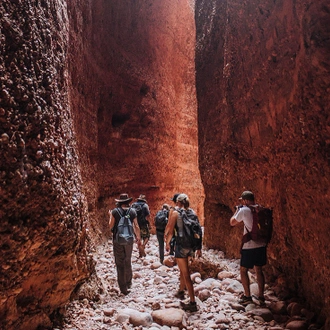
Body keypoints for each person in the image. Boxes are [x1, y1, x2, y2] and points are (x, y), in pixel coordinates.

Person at [165, 193, 202, 312]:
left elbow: (170, 231)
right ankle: (181, 290)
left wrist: (167, 243)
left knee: (186, 273)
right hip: (191, 246)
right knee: (183, 270)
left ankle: (192, 302)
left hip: (181, 245)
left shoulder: (176, 213)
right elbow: (198, 230)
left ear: (178, 203)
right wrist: (199, 248)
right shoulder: (193, 213)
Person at [230, 190, 267, 306]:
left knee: (243, 270)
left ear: (245, 200)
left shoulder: (244, 210)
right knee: (259, 270)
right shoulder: (260, 208)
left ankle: (247, 296)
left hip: (249, 246)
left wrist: (237, 210)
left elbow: (232, 222)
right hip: (261, 244)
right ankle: (261, 297)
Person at [109, 193, 141, 295]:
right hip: (129, 240)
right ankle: (129, 282)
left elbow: (110, 227)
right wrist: (138, 238)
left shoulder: (115, 211)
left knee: (120, 263)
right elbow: (136, 225)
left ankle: (123, 288)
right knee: (128, 260)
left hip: (118, 240)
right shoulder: (132, 211)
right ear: (128, 202)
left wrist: (110, 216)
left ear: (120, 202)